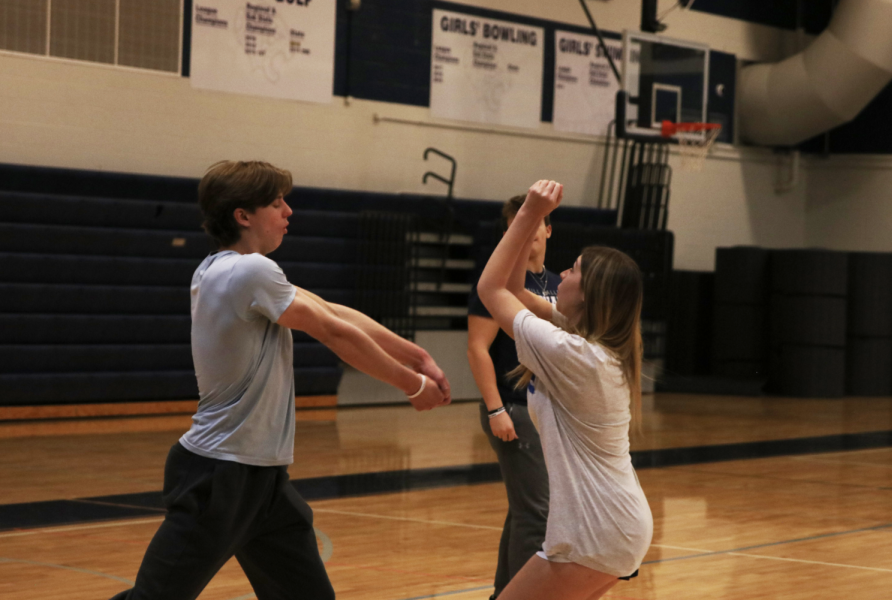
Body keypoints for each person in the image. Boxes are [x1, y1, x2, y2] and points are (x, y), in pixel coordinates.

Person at [110, 160, 451, 600]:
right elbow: (333, 331)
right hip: (220, 477)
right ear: (243, 216)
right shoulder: (248, 272)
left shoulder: (231, 269)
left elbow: (332, 311)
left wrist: (416, 354)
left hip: (263, 481)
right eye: (276, 202)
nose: (288, 211)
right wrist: (412, 385)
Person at [477, 180, 653, 600]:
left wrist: (527, 215)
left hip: (596, 532)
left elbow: (491, 290)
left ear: (588, 295)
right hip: (611, 527)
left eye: (573, 270)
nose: (565, 273)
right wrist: (534, 216)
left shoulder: (574, 354)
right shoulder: (586, 343)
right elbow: (518, 290)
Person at [467, 196, 558, 600]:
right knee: (537, 512)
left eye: (535, 222)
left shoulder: (558, 285)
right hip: (514, 408)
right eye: (517, 225)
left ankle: (503, 593)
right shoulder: (497, 283)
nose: (527, 231)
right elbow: (477, 348)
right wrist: (496, 409)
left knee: (525, 507)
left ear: (547, 229)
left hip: (547, 411)